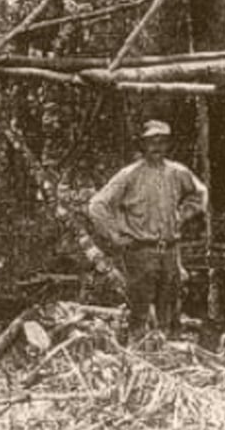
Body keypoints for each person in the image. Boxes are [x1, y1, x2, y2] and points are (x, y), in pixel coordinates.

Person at [89, 120, 208, 339]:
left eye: (162, 142)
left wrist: (183, 215)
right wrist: (115, 235)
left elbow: (200, 193)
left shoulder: (177, 172)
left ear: (168, 144)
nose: (157, 147)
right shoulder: (130, 175)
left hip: (170, 251)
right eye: (152, 142)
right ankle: (138, 357)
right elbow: (97, 205)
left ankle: (168, 358)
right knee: (140, 311)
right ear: (143, 145)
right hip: (140, 252)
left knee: (170, 310)